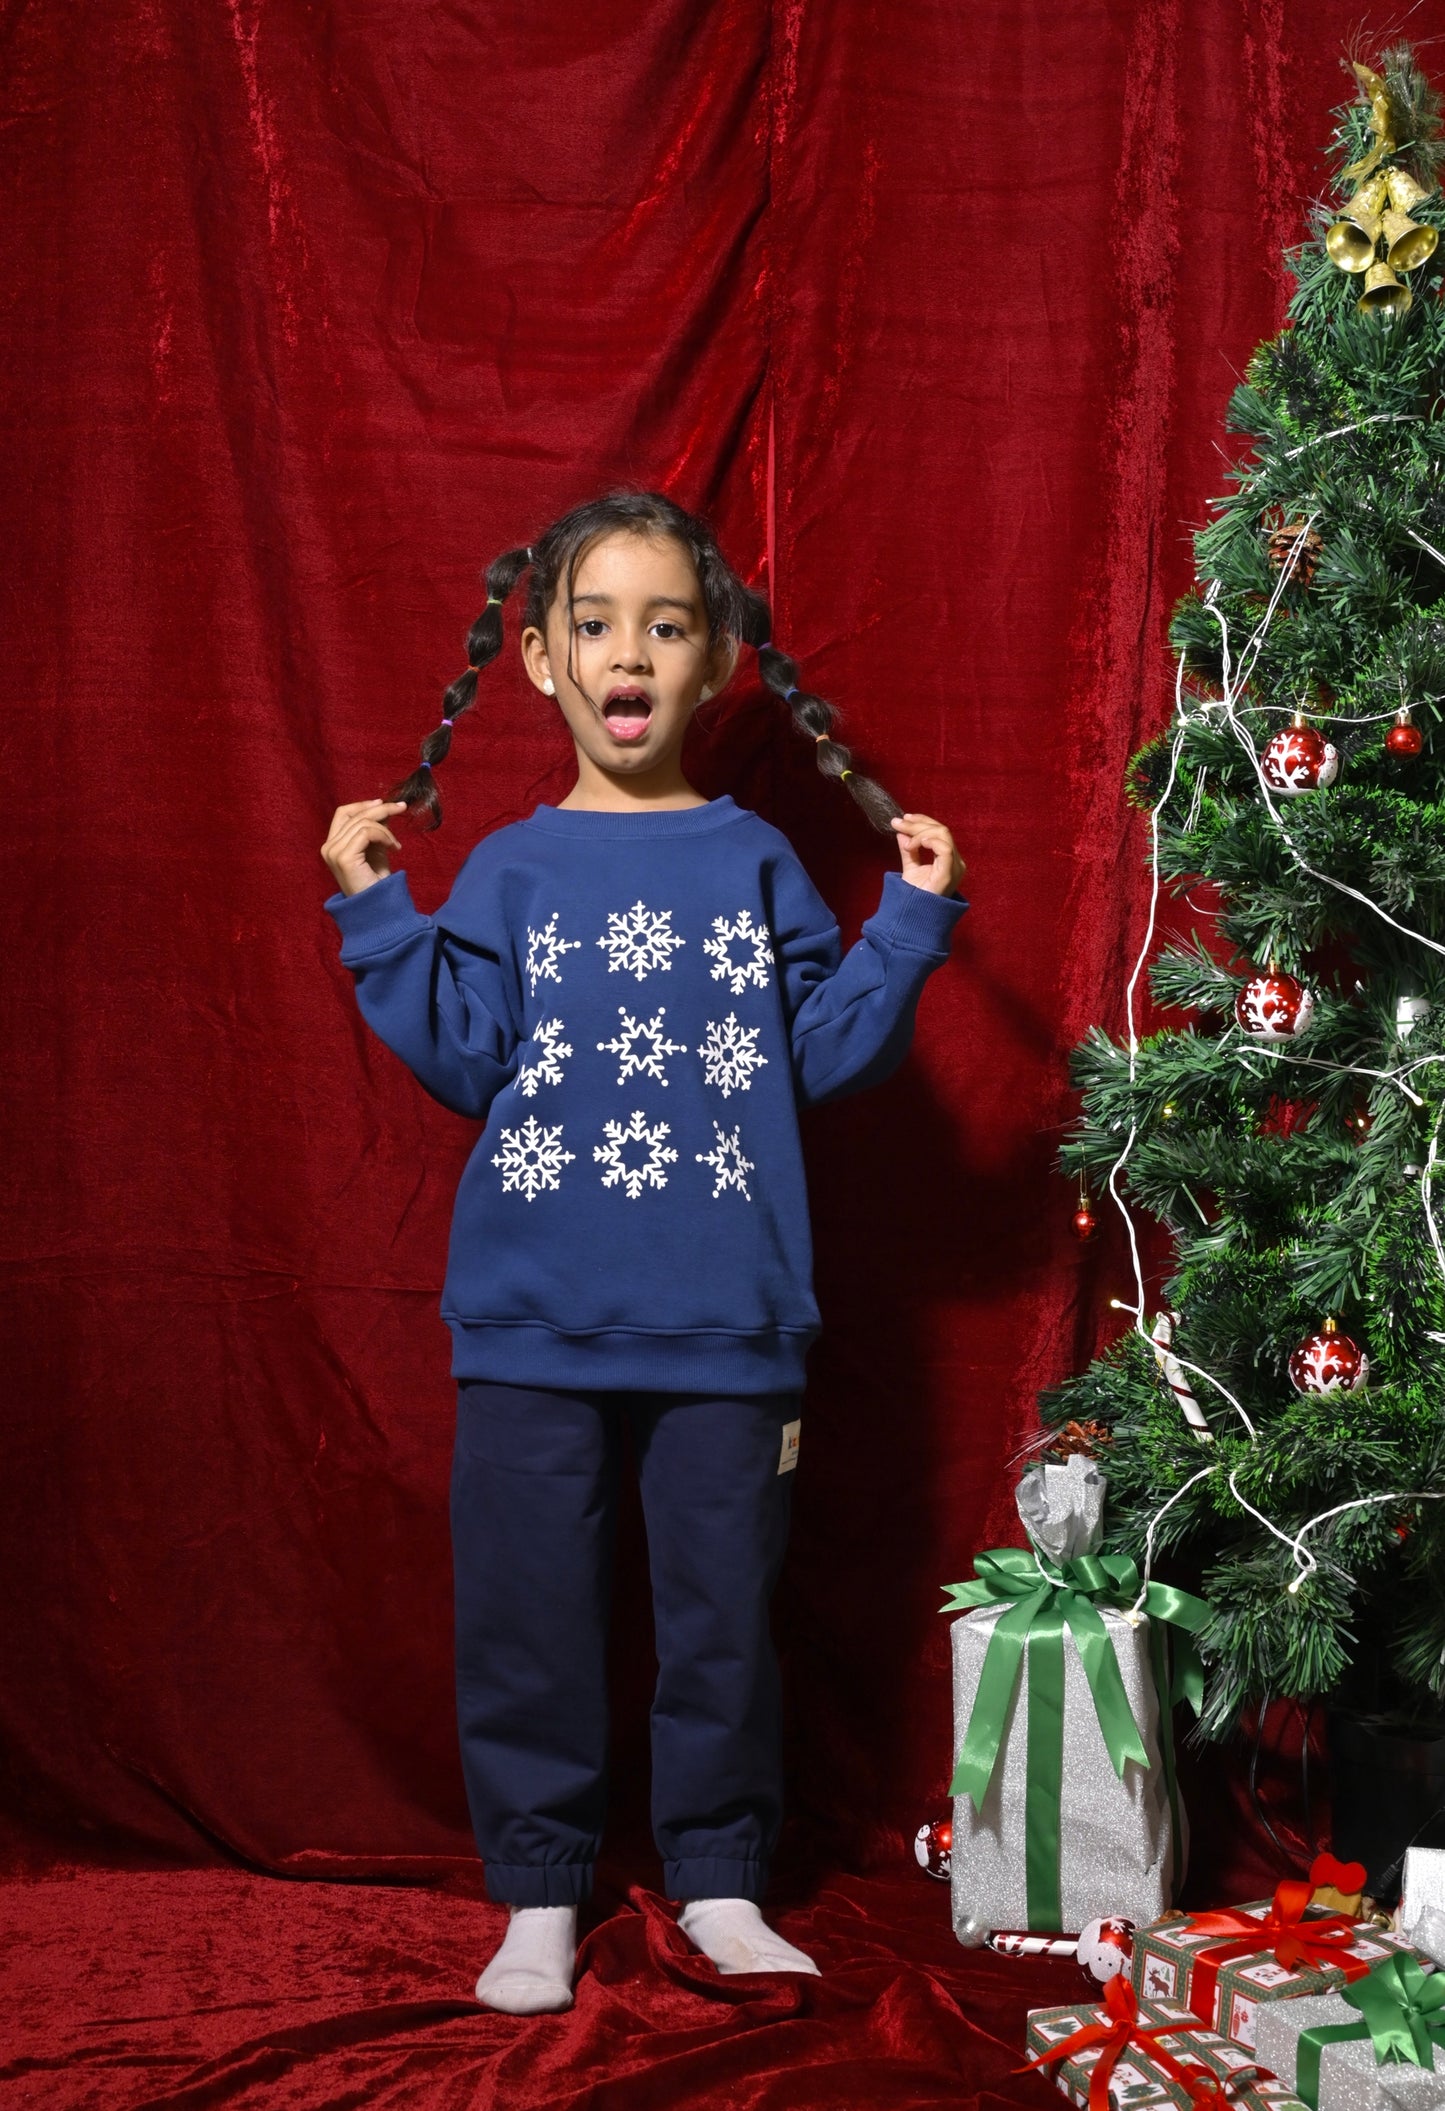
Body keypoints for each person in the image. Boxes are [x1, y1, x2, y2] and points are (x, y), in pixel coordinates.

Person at [319, 490, 967, 2014]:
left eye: (663, 626)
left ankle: (721, 1879)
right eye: (594, 625)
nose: (628, 654)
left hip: (729, 1327)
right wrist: (378, 920)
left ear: (718, 658)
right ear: (539, 659)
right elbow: (466, 1058)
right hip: (531, 1325)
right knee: (528, 1623)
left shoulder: (753, 862)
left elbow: (820, 1055)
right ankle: (536, 1893)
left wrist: (907, 930)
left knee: (722, 1622)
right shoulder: (509, 868)